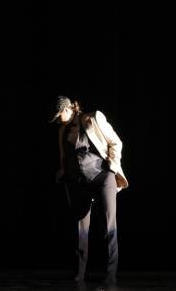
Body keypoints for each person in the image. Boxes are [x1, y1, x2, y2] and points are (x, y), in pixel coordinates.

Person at [53, 96, 128, 285]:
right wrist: (63, 172)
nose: (58, 120)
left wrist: (112, 166)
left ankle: (110, 274)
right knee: (81, 229)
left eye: (59, 115)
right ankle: (80, 273)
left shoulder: (93, 118)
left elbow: (116, 142)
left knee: (108, 225)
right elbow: (64, 157)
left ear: (67, 109)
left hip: (102, 177)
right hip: (79, 183)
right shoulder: (62, 131)